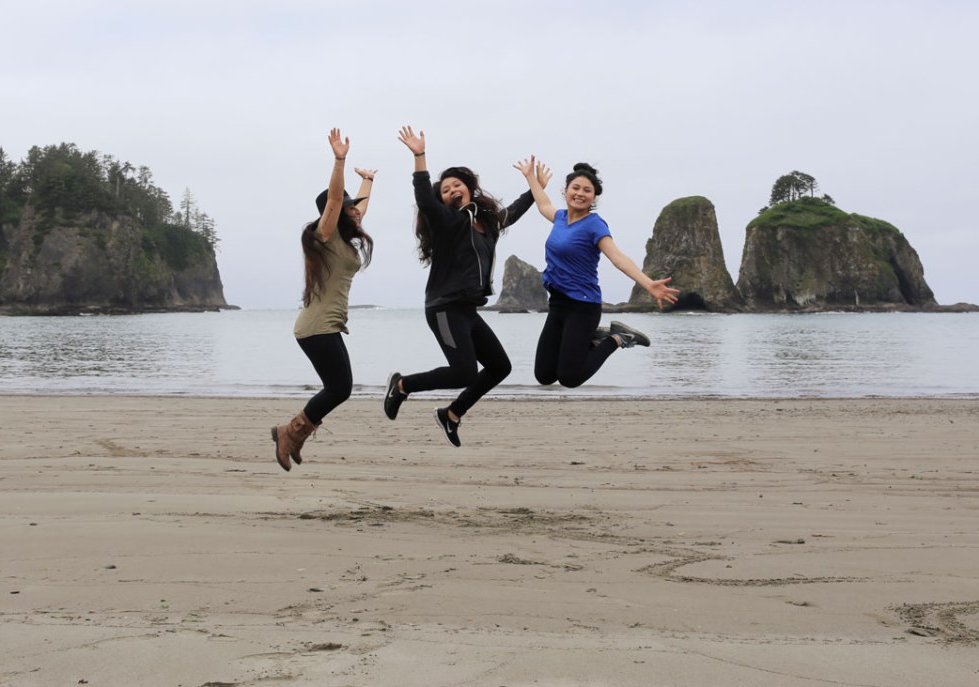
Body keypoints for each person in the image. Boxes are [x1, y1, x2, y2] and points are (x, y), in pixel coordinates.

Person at [382, 125, 544, 447]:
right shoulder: (446, 222)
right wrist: (419, 156)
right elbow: (424, 200)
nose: (452, 190)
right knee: (465, 372)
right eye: (445, 189)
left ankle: (452, 414)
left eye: (458, 185)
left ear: (469, 189)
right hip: (443, 306)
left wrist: (533, 185)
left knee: (500, 366)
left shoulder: (488, 224)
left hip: (468, 309)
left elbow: (515, 211)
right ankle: (402, 386)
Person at [514, 157, 679, 388]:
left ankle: (617, 338)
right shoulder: (560, 218)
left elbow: (618, 258)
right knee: (545, 375)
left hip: (583, 306)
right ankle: (591, 340)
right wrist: (531, 178)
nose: (580, 193)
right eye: (576, 188)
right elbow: (542, 204)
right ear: (566, 191)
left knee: (570, 379)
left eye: (587, 190)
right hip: (558, 304)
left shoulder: (594, 225)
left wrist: (648, 283)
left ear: (594, 197)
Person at [272, 128, 376, 471]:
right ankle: (291, 432)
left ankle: (293, 433)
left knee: (338, 387)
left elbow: (355, 207)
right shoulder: (325, 235)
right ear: (332, 214)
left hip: (323, 326)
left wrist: (368, 181)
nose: (354, 211)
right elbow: (334, 201)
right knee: (340, 387)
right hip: (317, 327)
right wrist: (339, 160)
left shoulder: (344, 240)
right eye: (347, 208)